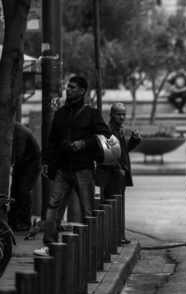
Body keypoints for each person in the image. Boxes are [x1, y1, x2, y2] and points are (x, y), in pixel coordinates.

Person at [34, 75, 111, 256]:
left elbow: (105, 135)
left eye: (73, 87)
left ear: (82, 91)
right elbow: (52, 140)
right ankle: (49, 245)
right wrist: (46, 161)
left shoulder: (91, 114)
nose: (68, 90)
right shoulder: (60, 114)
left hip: (83, 169)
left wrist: (84, 143)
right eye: (68, 87)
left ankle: (92, 249)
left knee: (87, 210)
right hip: (62, 169)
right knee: (53, 208)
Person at [95, 103, 141, 244]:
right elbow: (106, 154)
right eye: (118, 114)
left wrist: (134, 141)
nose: (122, 117)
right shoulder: (108, 131)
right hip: (111, 174)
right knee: (112, 205)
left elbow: (121, 151)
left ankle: (118, 236)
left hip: (119, 173)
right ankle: (113, 237)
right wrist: (118, 168)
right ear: (111, 115)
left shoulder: (120, 130)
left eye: (124, 114)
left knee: (118, 205)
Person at [8, 122, 41, 231]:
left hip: (31, 163)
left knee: (22, 191)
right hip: (26, 162)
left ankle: (24, 222)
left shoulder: (18, 132)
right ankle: (15, 220)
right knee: (16, 191)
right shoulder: (15, 128)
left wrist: (8, 165)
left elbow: (18, 154)